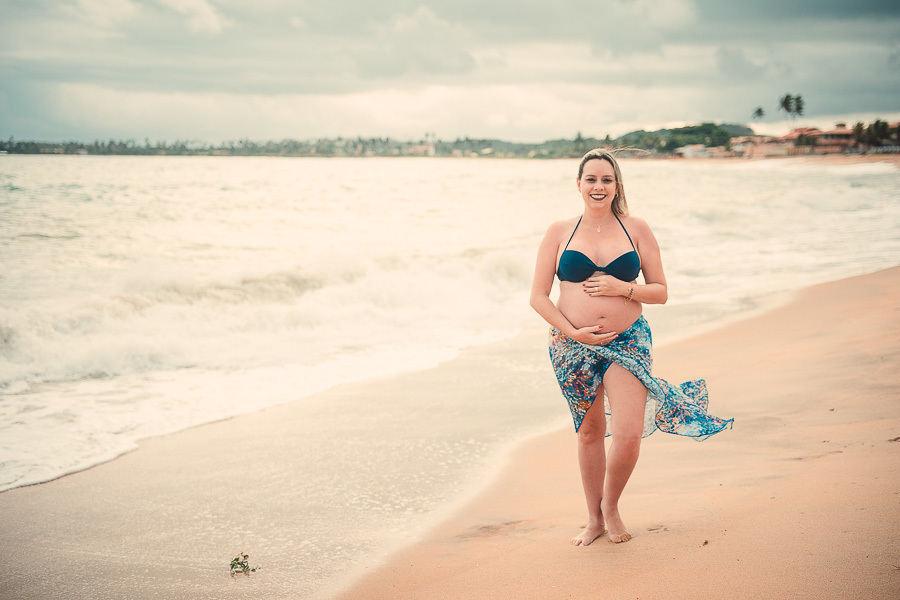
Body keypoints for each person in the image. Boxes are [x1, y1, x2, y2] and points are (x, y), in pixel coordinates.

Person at [529, 148, 733, 546]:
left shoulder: (636, 229)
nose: (598, 186)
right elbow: (538, 297)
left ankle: (611, 505)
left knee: (628, 433)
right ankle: (593, 519)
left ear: (616, 185)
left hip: (628, 341)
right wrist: (575, 333)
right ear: (578, 185)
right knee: (589, 432)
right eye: (591, 179)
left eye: (606, 179)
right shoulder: (558, 232)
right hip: (572, 345)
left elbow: (660, 292)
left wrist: (623, 287)